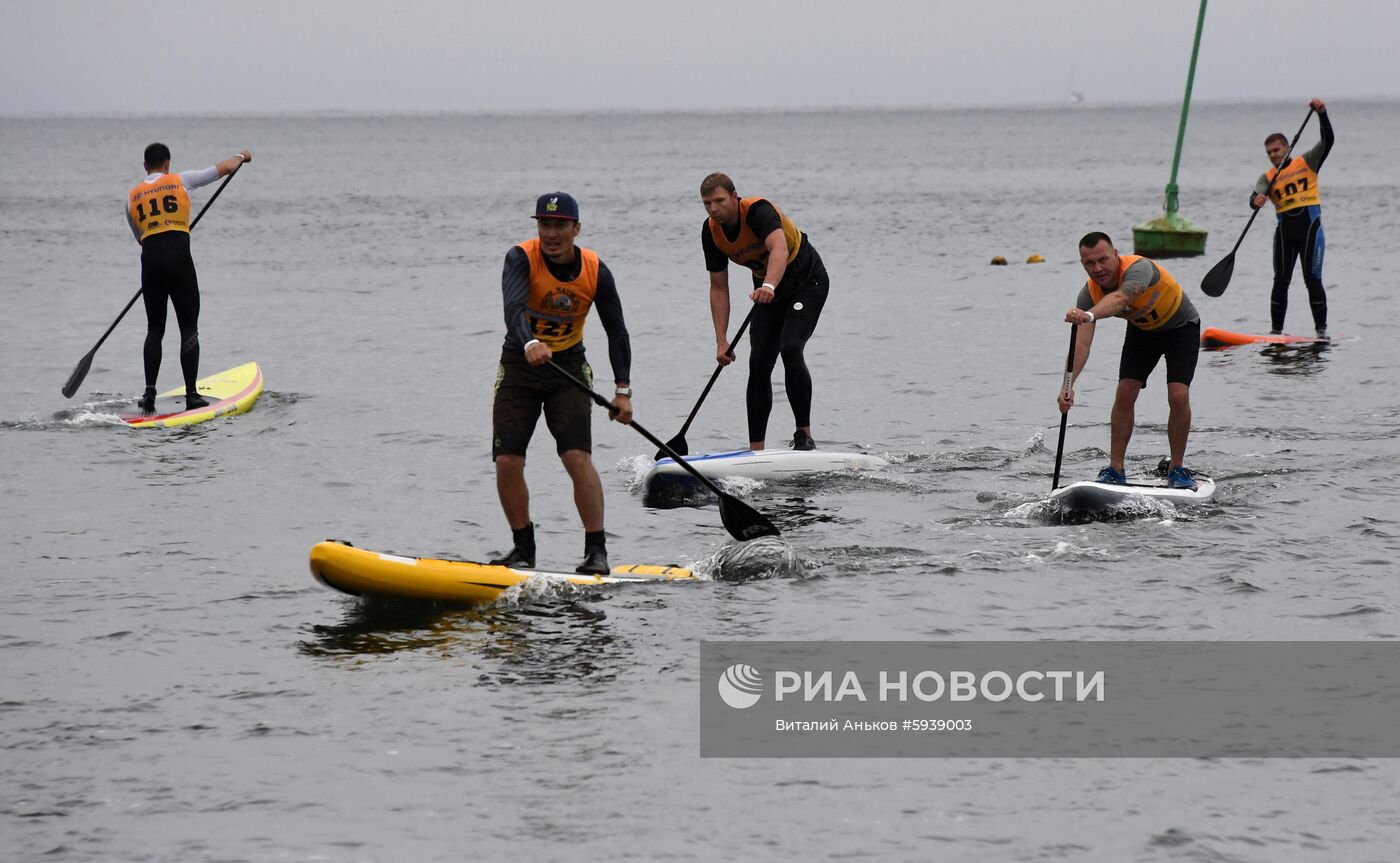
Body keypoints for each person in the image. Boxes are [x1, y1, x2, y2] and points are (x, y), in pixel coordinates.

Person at [490, 192, 633, 575]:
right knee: (507, 460)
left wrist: (623, 391)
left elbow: (616, 331)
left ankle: (596, 550)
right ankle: (523, 549)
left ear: (576, 228)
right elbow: (513, 309)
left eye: (560, 226)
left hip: (567, 369)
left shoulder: (595, 269)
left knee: (575, 456)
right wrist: (531, 342)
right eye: (544, 225)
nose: (551, 234)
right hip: (519, 366)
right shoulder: (520, 257)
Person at [1058, 232, 1202, 490]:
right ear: (1083, 264)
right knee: (1124, 392)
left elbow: (1121, 299)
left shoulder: (1139, 269)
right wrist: (1067, 385)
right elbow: (1082, 344)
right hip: (1143, 333)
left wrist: (1089, 315)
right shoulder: (1089, 294)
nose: (1098, 268)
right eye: (1090, 263)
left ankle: (1177, 468)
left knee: (1178, 395)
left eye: (1103, 259)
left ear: (1115, 255)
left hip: (1182, 328)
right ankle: (1115, 470)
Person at [700, 173, 830, 452]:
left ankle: (804, 436)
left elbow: (779, 249)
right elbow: (718, 287)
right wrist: (721, 340)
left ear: (734, 198)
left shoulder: (758, 211)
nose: (714, 209)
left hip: (805, 281)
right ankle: (755, 451)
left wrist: (769, 284)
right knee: (758, 362)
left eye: (719, 201)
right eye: (707, 203)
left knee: (791, 348)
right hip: (768, 290)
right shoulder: (711, 232)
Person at [127, 143, 251, 412]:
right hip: (180, 263)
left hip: (150, 265)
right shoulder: (181, 180)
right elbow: (226, 167)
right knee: (188, 327)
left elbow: (141, 238)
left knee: (154, 329)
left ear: (146, 166)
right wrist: (243, 156)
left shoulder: (132, 197)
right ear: (168, 164)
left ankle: (149, 394)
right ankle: (192, 394)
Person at [1251, 98, 1333, 338]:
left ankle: (1321, 332)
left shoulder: (1307, 161)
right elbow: (1254, 196)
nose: (1272, 155)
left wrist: (1322, 114)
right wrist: (1255, 200)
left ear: (1287, 147)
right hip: (1285, 233)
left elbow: (1328, 141)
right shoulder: (1267, 177)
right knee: (1280, 281)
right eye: (1268, 153)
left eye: (1276, 150)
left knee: (1312, 279)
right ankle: (1276, 332)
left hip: (1310, 229)